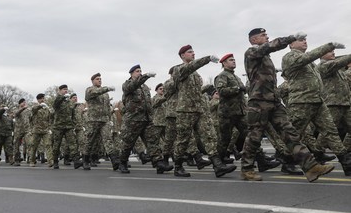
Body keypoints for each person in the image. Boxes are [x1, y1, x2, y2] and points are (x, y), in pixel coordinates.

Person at [241, 28, 334, 182]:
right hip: (258, 102)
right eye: (263, 35)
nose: (267, 37)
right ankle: (247, 169)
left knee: (290, 133)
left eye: (267, 35)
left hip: (274, 101)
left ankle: (311, 167)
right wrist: (290, 38)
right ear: (253, 40)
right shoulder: (251, 52)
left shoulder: (266, 58)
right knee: (254, 137)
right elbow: (270, 46)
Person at [282, 36, 351, 174]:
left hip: (318, 101)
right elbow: (307, 57)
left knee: (331, 132)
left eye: (305, 40)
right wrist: (328, 45)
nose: (304, 41)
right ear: (291, 44)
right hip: (302, 101)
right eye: (301, 40)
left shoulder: (310, 63)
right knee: (295, 134)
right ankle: (286, 161)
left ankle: (346, 163)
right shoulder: (289, 57)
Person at [172, 45, 236, 178]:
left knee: (209, 136)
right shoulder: (179, 70)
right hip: (185, 110)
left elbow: (197, 92)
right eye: (190, 52)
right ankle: (178, 166)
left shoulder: (196, 75)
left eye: (193, 52)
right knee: (183, 140)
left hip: (199, 110)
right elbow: (191, 67)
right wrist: (207, 59)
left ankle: (217, 166)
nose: (193, 53)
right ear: (182, 56)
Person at [118, 65, 170, 174]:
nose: (139, 73)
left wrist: (151, 116)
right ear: (131, 74)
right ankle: (122, 162)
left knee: (152, 141)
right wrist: (146, 76)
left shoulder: (145, 87)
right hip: (133, 119)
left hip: (146, 119)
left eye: (141, 71)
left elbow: (148, 103)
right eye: (137, 71)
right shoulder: (127, 84)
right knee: (128, 142)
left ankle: (158, 162)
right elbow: (133, 86)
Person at [319, 49, 351, 161]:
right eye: (330, 52)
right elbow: (339, 63)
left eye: (333, 51)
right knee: (328, 132)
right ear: (321, 54)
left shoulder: (338, 70)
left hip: (345, 104)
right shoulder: (323, 66)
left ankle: (346, 153)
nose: (333, 53)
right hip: (333, 104)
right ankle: (318, 153)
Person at [84, 73, 116, 170]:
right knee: (90, 141)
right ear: (93, 81)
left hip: (104, 120)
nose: (99, 80)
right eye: (97, 79)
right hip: (93, 120)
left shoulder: (105, 94)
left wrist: (109, 119)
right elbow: (94, 93)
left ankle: (115, 161)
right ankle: (85, 160)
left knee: (108, 139)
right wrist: (107, 88)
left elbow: (106, 107)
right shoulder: (89, 90)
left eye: (100, 79)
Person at [51, 85, 82, 169]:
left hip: (68, 126)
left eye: (66, 90)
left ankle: (76, 161)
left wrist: (75, 124)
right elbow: (55, 105)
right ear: (60, 90)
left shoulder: (69, 102)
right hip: (58, 126)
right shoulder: (58, 100)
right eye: (64, 89)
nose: (66, 91)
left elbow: (73, 114)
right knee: (57, 145)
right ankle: (55, 162)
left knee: (73, 144)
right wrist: (62, 97)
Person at [29, 93, 53, 167]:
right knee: (34, 146)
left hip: (45, 130)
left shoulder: (46, 108)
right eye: (41, 98)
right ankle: (32, 161)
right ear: (38, 100)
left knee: (48, 145)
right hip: (36, 130)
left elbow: (50, 118)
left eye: (43, 98)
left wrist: (50, 128)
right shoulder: (35, 108)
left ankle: (50, 161)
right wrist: (40, 106)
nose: (43, 100)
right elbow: (33, 110)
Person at [13, 99, 31, 166]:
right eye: (23, 102)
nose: (24, 103)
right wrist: (23, 109)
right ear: (20, 103)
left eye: (25, 102)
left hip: (26, 129)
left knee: (29, 143)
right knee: (16, 145)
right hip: (18, 130)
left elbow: (31, 118)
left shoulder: (28, 111)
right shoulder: (16, 109)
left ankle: (30, 158)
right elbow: (16, 114)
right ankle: (17, 159)